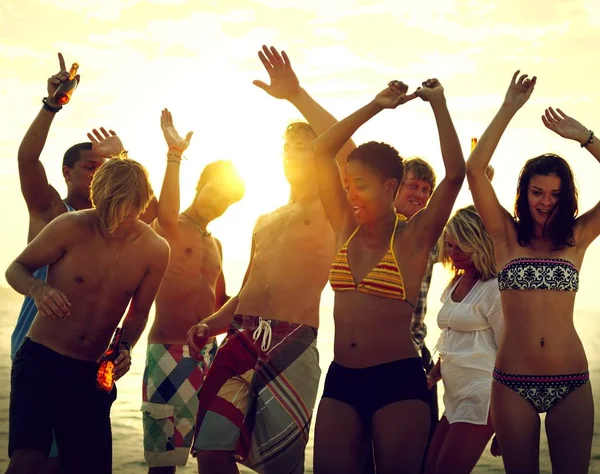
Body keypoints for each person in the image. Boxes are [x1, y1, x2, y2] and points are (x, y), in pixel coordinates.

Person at [186, 45, 355, 474]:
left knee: (281, 464)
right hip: (240, 337)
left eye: (300, 149)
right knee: (210, 449)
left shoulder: (330, 210)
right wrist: (212, 323)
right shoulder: (265, 218)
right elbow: (244, 291)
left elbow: (348, 152)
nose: (289, 156)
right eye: (285, 149)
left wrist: (296, 94)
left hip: (291, 341)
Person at [10, 52, 156, 474]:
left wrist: (123, 156)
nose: (97, 175)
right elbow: (25, 160)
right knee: (34, 457)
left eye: (104, 169)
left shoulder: (121, 228)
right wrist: (51, 104)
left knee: (75, 459)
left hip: (90, 351)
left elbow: (149, 211)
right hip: (38, 332)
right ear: (67, 171)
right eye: (90, 167)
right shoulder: (50, 209)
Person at [312, 78, 465, 474]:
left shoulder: (415, 238)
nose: (350, 194)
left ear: (389, 186)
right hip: (341, 379)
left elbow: (454, 175)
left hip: (398, 382)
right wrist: (376, 105)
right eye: (347, 185)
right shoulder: (344, 227)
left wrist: (438, 103)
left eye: (360, 185)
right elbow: (321, 148)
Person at [466, 70, 599, 474]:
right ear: (524, 192)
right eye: (537, 192)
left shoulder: (577, 237)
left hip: (570, 381)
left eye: (556, 194)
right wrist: (510, 107)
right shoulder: (505, 237)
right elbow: (474, 171)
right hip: (512, 382)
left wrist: (587, 139)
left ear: (567, 198)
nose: (545, 202)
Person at [6, 158, 170, 474]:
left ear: (141, 204)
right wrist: (39, 291)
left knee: (89, 466)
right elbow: (16, 269)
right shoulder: (69, 226)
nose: (120, 222)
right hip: (41, 360)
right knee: (28, 458)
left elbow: (138, 313)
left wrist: (124, 348)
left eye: (130, 213)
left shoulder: (155, 249)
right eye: (113, 212)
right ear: (99, 198)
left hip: (91, 372)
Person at [141, 109, 245, 473]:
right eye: (215, 192)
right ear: (201, 184)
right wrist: (174, 154)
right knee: (165, 462)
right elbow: (167, 212)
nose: (217, 203)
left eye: (226, 202)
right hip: (169, 352)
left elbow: (221, 304)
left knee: (216, 452)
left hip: (210, 356)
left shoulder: (216, 245)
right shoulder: (168, 226)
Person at [424, 205, 503, 474]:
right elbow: (452, 339)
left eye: (460, 247)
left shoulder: (495, 289)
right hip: (454, 397)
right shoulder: (455, 283)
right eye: (449, 245)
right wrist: (435, 372)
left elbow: (510, 352)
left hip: (482, 396)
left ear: (479, 244)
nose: (452, 254)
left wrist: (507, 421)